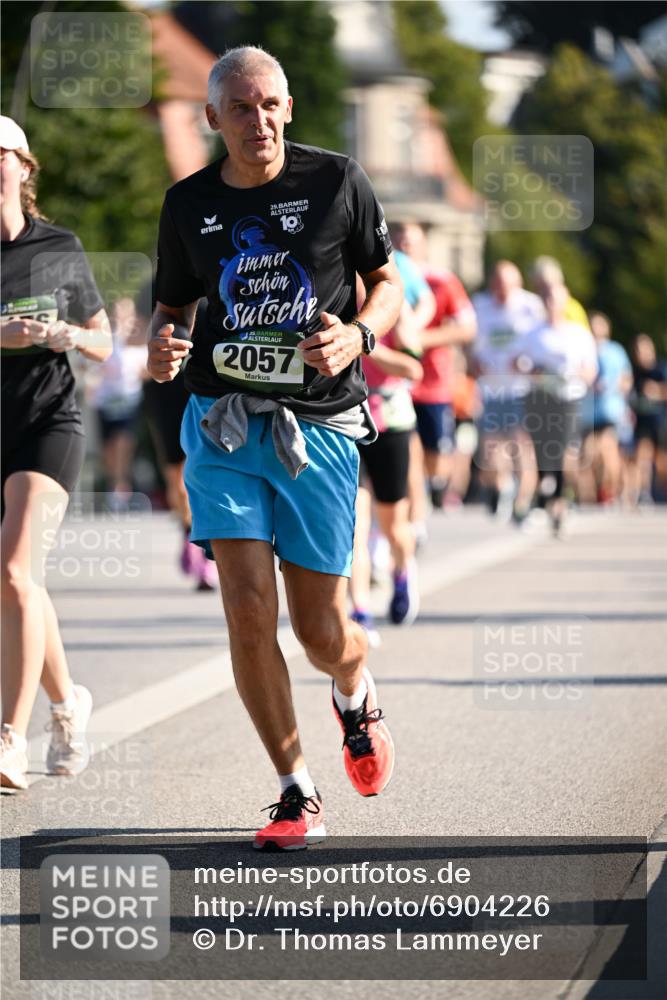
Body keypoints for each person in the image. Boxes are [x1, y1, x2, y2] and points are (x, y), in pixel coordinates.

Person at [147, 48, 402, 850]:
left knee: (321, 632)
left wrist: (358, 334)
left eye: (269, 106)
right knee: (248, 609)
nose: (257, 121)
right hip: (222, 423)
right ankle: (295, 790)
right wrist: (162, 348)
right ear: (214, 119)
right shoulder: (187, 204)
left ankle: (354, 692)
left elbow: (386, 282)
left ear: (287, 108)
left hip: (318, 426)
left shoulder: (336, 182)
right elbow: (171, 310)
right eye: (240, 108)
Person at [1, 116, 111, 789]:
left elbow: (102, 341)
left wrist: (62, 331)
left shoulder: (58, 248)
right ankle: (69, 705)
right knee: (21, 581)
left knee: (14, 572)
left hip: (48, 424)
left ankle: (9, 735)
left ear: (23, 166)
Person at [393, 222, 477, 510]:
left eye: (410, 243)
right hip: (395, 379)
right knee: (407, 449)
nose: (404, 248)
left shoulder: (442, 280)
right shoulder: (385, 276)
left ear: (423, 246)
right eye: (399, 242)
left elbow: (467, 329)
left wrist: (419, 339)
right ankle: (414, 507)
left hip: (433, 382)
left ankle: (432, 489)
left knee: (436, 456)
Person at [517, 285, 597, 535]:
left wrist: (575, 375)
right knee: (543, 448)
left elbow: (590, 370)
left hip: (569, 397)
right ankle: (545, 499)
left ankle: (560, 502)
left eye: (557, 300)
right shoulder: (533, 333)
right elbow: (520, 362)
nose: (552, 305)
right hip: (541, 397)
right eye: (548, 299)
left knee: (563, 450)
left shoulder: (579, 333)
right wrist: (537, 372)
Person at [472, 261, 543, 523]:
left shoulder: (530, 306)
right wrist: (473, 362)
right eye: (498, 285)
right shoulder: (480, 305)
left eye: (507, 285)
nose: (502, 291)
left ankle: (523, 503)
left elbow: (542, 342)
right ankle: (503, 487)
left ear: (518, 284)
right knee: (491, 446)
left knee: (522, 445)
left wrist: (527, 361)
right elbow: (470, 341)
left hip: (521, 388)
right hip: (491, 388)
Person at [88, 297, 147, 510]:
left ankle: (122, 488)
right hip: (104, 401)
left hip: (129, 399)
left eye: (125, 313)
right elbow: (90, 365)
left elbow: (147, 370)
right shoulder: (105, 338)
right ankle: (115, 485)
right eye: (117, 312)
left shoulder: (139, 339)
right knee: (108, 449)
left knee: (123, 443)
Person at [579, 312, 633, 505]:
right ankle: (600, 491)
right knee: (589, 454)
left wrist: (616, 391)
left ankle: (613, 491)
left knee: (607, 450)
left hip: (610, 409)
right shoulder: (585, 348)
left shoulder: (615, 350)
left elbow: (626, 378)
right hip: (588, 411)